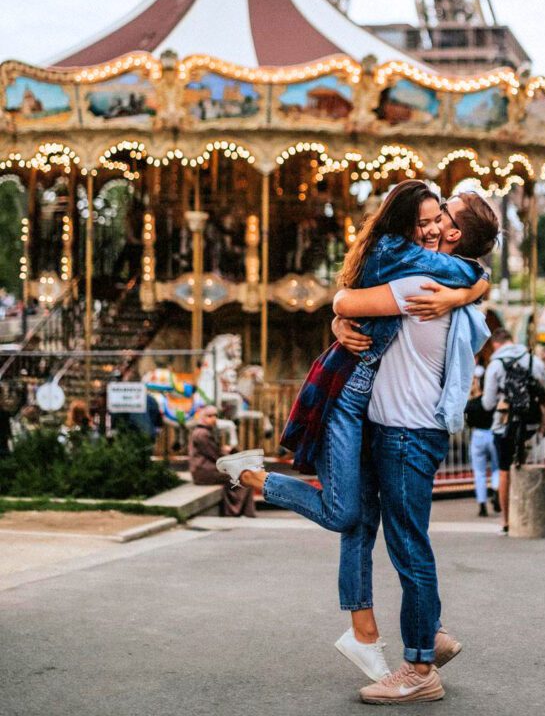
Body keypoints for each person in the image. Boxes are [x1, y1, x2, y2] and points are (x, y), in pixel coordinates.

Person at [217, 184, 496, 692]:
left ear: (454, 232)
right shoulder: (441, 288)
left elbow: (348, 296)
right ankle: (421, 638)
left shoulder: (422, 287)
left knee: (405, 544)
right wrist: (471, 284)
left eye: (443, 218)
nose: (434, 226)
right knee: (376, 529)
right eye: (426, 219)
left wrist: (344, 310)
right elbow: (348, 301)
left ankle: (418, 668)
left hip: (406, 433)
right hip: (391, 426)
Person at [481, 328, 545, 535]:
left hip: (504, 425)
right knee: (526, 466)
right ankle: (527, 515)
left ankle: (506, 521)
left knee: (504, 470)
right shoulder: (534, 361)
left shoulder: (495, 365)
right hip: (530, 425)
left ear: (496, 344)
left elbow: (487, 403)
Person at [189, 405, 255, 517]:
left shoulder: (204, 431)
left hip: (207, 470)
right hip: (204, 472)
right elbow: (215, 455)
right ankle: (236, 510)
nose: (213, 418)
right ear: (202, 418)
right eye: (210, 416)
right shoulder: (202, 433)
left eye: (215, 415)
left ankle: (236, 509)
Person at [465, 359, 501, 517]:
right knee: (496, 467)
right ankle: (496, 489)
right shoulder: (495, 403)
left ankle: (482, 503)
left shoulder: (472, 404)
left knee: (479, 472)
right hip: (493, 433)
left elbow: (469, 422)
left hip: (478, 435)